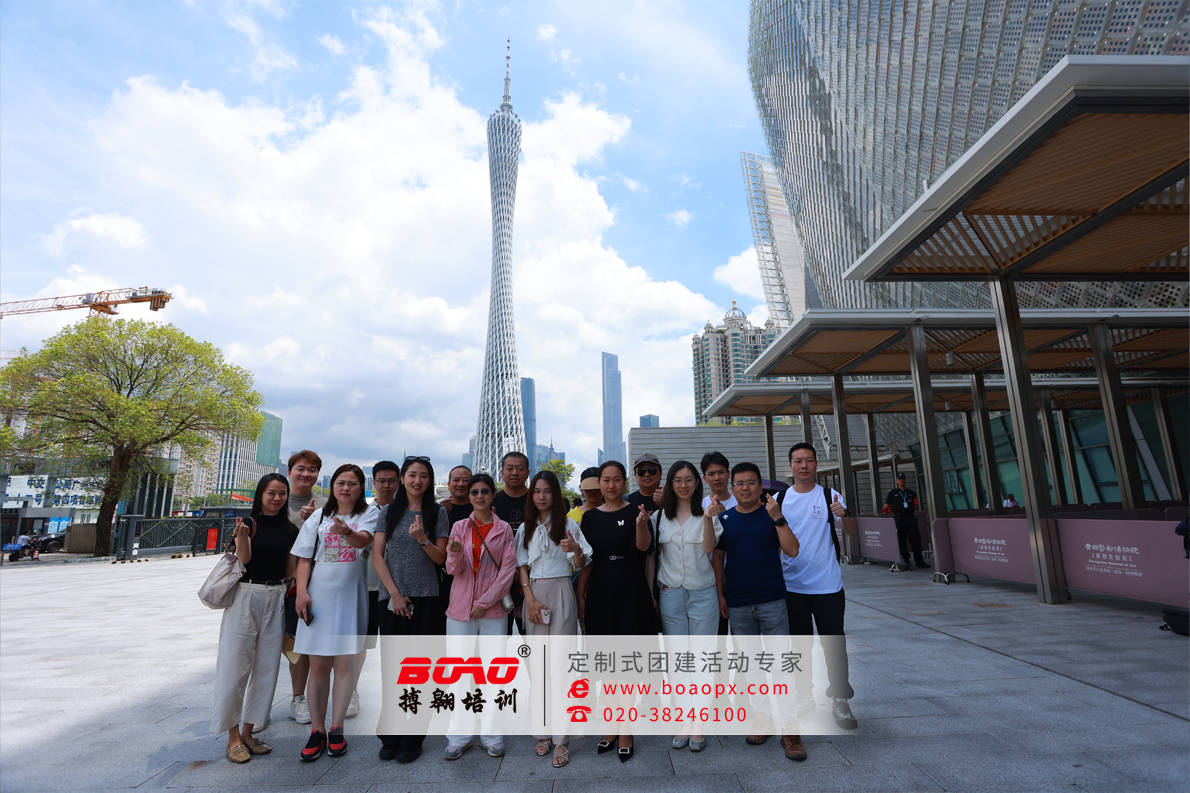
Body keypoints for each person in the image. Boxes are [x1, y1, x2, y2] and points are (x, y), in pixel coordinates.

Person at [712, 462, 803, 760]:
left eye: (751, 482)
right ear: (732, 488)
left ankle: (790, 727)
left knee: (781, 665)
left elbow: (792, 550)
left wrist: (777, 517)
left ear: (760, 487)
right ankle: (762, 717)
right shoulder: (724, 519)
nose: (745, 488)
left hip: (772, 600)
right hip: (738, 603)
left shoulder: (771, 515)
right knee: (750, 666)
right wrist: (721, 593)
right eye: (739, 483)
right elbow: (717, 559)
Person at [291, 464, 379, 762]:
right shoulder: (319, 516)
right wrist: (302, 593)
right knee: (318, 666)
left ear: (361, 487)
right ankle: (317, 730)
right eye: (341, 482)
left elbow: (363, 541)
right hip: (318, 597)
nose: (345, 488)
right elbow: (304, 558)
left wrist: (347, 532)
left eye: (352, 483)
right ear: (333, 486)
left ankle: (337, 727)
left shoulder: (368, 514)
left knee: (344, 665)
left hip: (350, 599)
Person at [211, 474, 299, 764]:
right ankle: (232, 737)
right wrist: (242, 537)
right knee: (235, 666)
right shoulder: (248, 523)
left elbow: (290, 569)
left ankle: (249, 732)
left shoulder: (290, 529)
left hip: (277, 595)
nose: (277, 498)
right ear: (260, 495)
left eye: (282, 493)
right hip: (246, 595)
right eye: (271, 493)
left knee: (267, 668)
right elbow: (244, 560)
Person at [575, 460, 654, 763]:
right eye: (606, 480)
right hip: (600, 591)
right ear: (599, 483)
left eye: (616, 479)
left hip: (631, 589)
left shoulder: (637, 511)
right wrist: (581, 596)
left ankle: (625, 727)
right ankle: (613, 722)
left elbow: (643, 549)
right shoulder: (589, 517)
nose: (611, 485)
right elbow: (587, 560)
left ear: (624, 482)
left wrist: (642, 524)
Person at [373, 456, 450, 763]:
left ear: (429, 481)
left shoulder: (438, 512)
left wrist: (422, 539)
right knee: (393, 668)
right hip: (392, 599)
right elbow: (378, 556)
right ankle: (391, 733)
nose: (417, 481)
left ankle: (414, 735)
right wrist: (394, 594)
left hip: (428, 599)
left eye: (424, 476)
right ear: (403, 478)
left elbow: (441, 558)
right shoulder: (389, 512)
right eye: (412, 475)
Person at [779, 442, 858, 735]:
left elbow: (850, 530)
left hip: (827, 585)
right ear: (790, 465)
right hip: (792, 586)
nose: (804, 466)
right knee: (798, 646)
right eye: (798, 460)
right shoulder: (780, 499)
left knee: (833, 643)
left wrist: (844, 514)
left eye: (809, 460)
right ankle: (803, 696)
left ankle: (840, 699)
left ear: (815, 464)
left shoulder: (829, 495)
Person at [516, 470, 591, 768]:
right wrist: (530, 600)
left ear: (555, 494)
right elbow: (521, 566)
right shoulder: (525, 528)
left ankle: (563, 738)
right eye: (537, 491)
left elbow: (582, 563)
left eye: (547, 491)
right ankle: (543, 732)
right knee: (539, 666)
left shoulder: (569, 525)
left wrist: (575, 549)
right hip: (533, 594)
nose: (542, 496)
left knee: (561, 665)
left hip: (561, 591)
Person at [443, 473, 517, 760]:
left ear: (493, 494)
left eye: (485, 491)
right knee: (459, 673)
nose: (479, 496)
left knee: (493, 674)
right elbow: (453, 570)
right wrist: (453, 554)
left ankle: (491, 734)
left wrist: (484, 603)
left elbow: (507, 571)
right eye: (474, 492)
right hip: (460, 610)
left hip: (493, 611)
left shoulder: (504, 529)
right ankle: (459, 735)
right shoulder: (460, 527)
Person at [653, 460, 719, 752]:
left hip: (703, 593)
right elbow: (651, 557)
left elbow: (709, 548)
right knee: (678, 659)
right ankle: (684, 719)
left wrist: (707, 519)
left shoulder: (708, 513)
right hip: (670, 594)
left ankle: (699, 723)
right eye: (678, 480)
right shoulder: (658, 518)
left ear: (697, 483)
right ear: (670, 484)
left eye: (689, 479)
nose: (683, 485)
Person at [341, 460, 397, 739]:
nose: (386, 485)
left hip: (395, 589)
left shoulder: (405, 511)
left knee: (394, 646)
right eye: (381, 480)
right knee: (359, 643)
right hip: (365, 585)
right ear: (373, 483)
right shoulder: (362, 511)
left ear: (399, 483)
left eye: (391, 480)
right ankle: (351, 692)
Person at [285, 450, 327, 725]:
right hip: (279, 582)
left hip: (314, 584)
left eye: (312, 469)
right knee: (280, 645)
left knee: (304, 642)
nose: (306, 473)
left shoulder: (326, 504)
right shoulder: (276, 499)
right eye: (301, 468)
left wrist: (317, 520)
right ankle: (257, 708)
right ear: (290, 472)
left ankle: (300, 698)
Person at [492, 452, 530, 631]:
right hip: (499, 580)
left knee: (532, 638)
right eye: (510, 468)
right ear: (502, 472)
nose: (515, 473)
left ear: (528, 473)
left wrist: (522, 570)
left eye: (520, 469)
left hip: (532, 580)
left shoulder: (537, 501)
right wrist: (508, 570)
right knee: (499, 638)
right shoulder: (492, 502)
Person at [700, 452, 735, 636]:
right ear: (704, 478)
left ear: (728, 474)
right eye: (711, 474)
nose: (717, 477)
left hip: (738, 579)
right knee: (717, 637)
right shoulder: (700, 507)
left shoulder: (741, 502)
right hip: (710, 583)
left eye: (721, 472)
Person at [885, 472, 929, 570]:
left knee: (916, 539)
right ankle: (906, 560)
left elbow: (916, 506)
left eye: (903, 479)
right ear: (897, 481)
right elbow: (886, 506)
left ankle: (919, 560)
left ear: (905, 480)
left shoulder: (911, 493)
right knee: (902, 539)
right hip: (899, 518)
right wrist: (896, 509)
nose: (901, 480)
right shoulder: (893, 493)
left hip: (910, 517)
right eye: (899, 479)